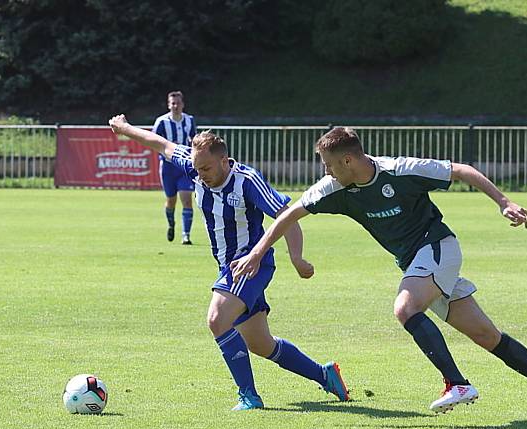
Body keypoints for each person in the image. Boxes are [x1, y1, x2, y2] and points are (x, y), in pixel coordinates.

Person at [231, 127, 527, 418]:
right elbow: (289, 215)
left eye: (328, 164)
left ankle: (456, 383)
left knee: (405, 308)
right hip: (418, 263)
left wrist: (504, 202)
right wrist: (260, 253)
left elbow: (462, 170)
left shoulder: (401, 170)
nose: (325, 171)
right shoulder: (334, 189)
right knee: (488, 337)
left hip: (438, 247)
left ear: (348, 160)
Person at [108, 114, 350, 410]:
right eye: (197, 169)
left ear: (225, 161)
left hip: (252, 263)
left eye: (207, 168)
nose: (201, 174)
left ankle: (249, 396)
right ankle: (324, 375)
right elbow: (160, 143)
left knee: (216, 319)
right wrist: (125, 129)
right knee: (261, 344)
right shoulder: (195, 167)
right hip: (228, 266)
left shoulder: (246, 181)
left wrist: (297, 258)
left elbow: (286, 215)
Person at [153, 91, 197, 245]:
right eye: (173, 103)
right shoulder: (161, 122)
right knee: (171, 200)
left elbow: (194, 139)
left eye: (178, 103)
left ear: (182, 104)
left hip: (184, 166)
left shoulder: (190, 120)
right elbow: (153, 141)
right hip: (167, 167)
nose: (175, 106)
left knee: (187, 199)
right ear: (168, 105)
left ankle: (186, 235)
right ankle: (171, 224)